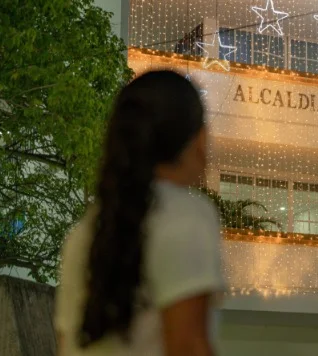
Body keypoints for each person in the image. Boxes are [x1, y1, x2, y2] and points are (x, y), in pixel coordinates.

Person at [54, 70, 223, 356]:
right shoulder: (187, 216)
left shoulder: (85, 231)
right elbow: (188, 346)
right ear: (199, 140)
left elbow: (65, 341)